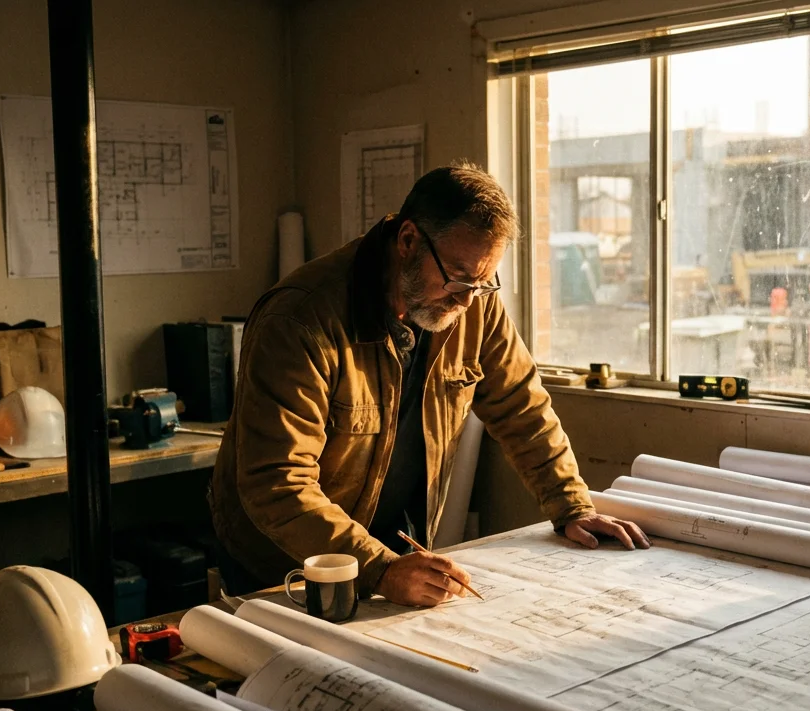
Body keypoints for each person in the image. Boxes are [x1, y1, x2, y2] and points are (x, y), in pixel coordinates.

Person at [210, 163, 649, 607]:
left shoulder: (471, 301)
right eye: (458, 278)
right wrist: (376, 567)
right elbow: (277, 482)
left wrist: (571, 505)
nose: (465, 299)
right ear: (407, 241)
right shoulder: (301, 320)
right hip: (289, 565)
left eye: (481, 283)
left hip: (399, 554)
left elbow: (522, 407)